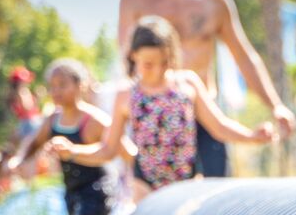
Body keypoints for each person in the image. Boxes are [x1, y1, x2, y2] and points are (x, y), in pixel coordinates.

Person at [117, 0, 296, 177]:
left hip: (205, 112)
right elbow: (127, 58)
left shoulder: (212, 1)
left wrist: (275, 105)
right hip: (157, 112)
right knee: (158, 194)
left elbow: (243, 55)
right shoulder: (135, 2)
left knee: (216, 190)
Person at [56, 16, 273, 204]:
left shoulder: (187, 85)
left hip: (187, 182)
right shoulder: (127, 96)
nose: (158, 71)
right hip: (146, 186)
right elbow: (108, 149)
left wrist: (252, 136)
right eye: (149, 64)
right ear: (133, 56)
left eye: (165, 62)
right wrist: (73, 151)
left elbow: (219, 126)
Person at [11, 59, 116, 215]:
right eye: (52, 86)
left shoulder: (95, 120)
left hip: (97, 189)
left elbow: (113, 150)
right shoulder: (53, 120)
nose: (56, 92)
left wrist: (74, 151)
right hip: (72, 191)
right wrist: (18, 160)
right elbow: (33, 142)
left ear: (80, 86)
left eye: (63, 85)